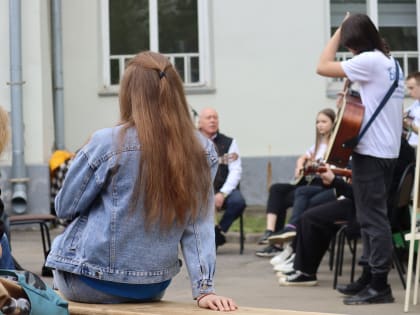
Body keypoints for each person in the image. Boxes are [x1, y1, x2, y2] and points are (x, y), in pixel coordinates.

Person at [45, 51, 237, 311]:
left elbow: (65, 207)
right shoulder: (202, 150)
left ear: (129, 94)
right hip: (151, 286)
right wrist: (204, 289)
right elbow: (199, 224)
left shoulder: (107, 142)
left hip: (88, 282)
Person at [316, 13, 404, 304]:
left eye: (350, 44)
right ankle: (368, 276)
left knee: (372, 219)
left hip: (372, 154)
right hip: (387, 152)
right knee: (369, 217)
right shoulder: (391, 63)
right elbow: (368, 104)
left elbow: (321, 66)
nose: (349, 50)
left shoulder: (369, 62)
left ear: (357, 42)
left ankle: (380, 285)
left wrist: (339, 30)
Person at [256, 108, 336, 257]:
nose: (320, 125)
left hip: (320, 186)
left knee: (299, 193)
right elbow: (302, 158)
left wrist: (316, 167)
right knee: (276, 189)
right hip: (306, 183)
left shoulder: (334, 146)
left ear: (333, 123)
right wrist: (300, 165)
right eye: (317, 122)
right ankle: (270, 233)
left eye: (324, 122)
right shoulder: (317, 145)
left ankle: (287, 233)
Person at [198, 108, 246, 249]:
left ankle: (218, 232)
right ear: (199, 122)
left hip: (223, 188)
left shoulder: (229, 143)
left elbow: (235, 171)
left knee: (238, 202)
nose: (213, 120)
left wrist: (222, 193)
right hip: (199, 190)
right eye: (208, 118)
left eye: (215, 117)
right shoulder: (191, 143)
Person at [403, 72, 420, 147]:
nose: (409, 92)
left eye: (411, 88)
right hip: (411, 146)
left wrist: (409, 125)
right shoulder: (415, 104)